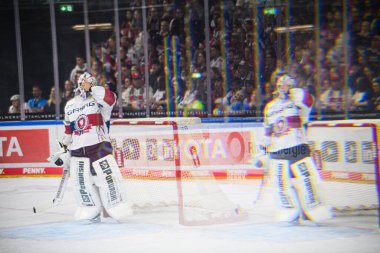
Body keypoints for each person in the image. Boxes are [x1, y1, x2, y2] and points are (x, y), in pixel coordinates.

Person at [51, 72, 132, 223]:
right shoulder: (69, 105)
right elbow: (69, 132)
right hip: (77, 152)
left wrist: (93, 88)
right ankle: (89, 208)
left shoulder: (99, 101)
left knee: (107, 179)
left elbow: (111, 98)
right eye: (84, 82)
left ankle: (116, 205)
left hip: (99, 148)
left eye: (90, 82)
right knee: (83, 183)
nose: (86, 84)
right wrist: (62, 149)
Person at [259, 74, 332, 224]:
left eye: (286, 85)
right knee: (281, 184)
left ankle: (314, 208)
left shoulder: (297, 103)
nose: (282, 88)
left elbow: (309, 102)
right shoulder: (270, 107)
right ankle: (289, 211)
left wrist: (298, 93)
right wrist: (262, 152)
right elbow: (267, 132)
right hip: (278, 152)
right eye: (280, 85)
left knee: (307, 180)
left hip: (298, 149)